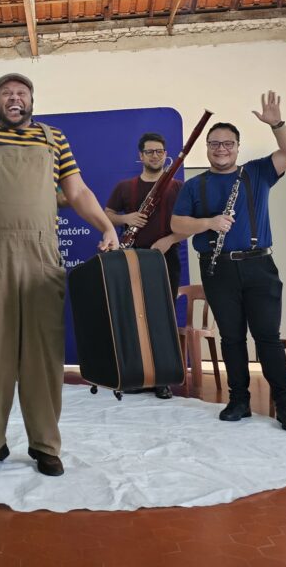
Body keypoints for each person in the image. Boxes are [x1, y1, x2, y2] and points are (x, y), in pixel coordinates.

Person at [0, 21, 119, 477]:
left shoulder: (54, 139)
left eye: (21, 93)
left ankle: (45, 445)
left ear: (31, 101)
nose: (14, 98)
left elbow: (78, 192)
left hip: (42, 258)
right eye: (6, 93)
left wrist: (106, 225)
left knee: (44, 354)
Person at [171, 92, 286, 433]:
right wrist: (208, 223)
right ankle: (239, 400)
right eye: (214, 144)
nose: (221, 149)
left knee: (267, 337)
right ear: (207, 148)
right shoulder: (194, 185)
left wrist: (277, 124)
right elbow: (177, 224)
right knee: (231, 337)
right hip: (217, 269)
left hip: (259, 266)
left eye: (227, 144)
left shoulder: (257, 172)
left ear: (237, 147)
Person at [104, 132, 191, 400]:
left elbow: (191, 223)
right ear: (140, 156)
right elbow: (107, 215)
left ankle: (162, 379)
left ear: (166, 155)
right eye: (150, 152)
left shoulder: (177, 187)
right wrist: (126, 218)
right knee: (133, 316)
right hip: (131, 256)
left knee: (162, 317)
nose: (155, 156)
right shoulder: (125, 187)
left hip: (166, 258)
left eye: (160, 151)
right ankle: (136, 375)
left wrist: (169, 239)